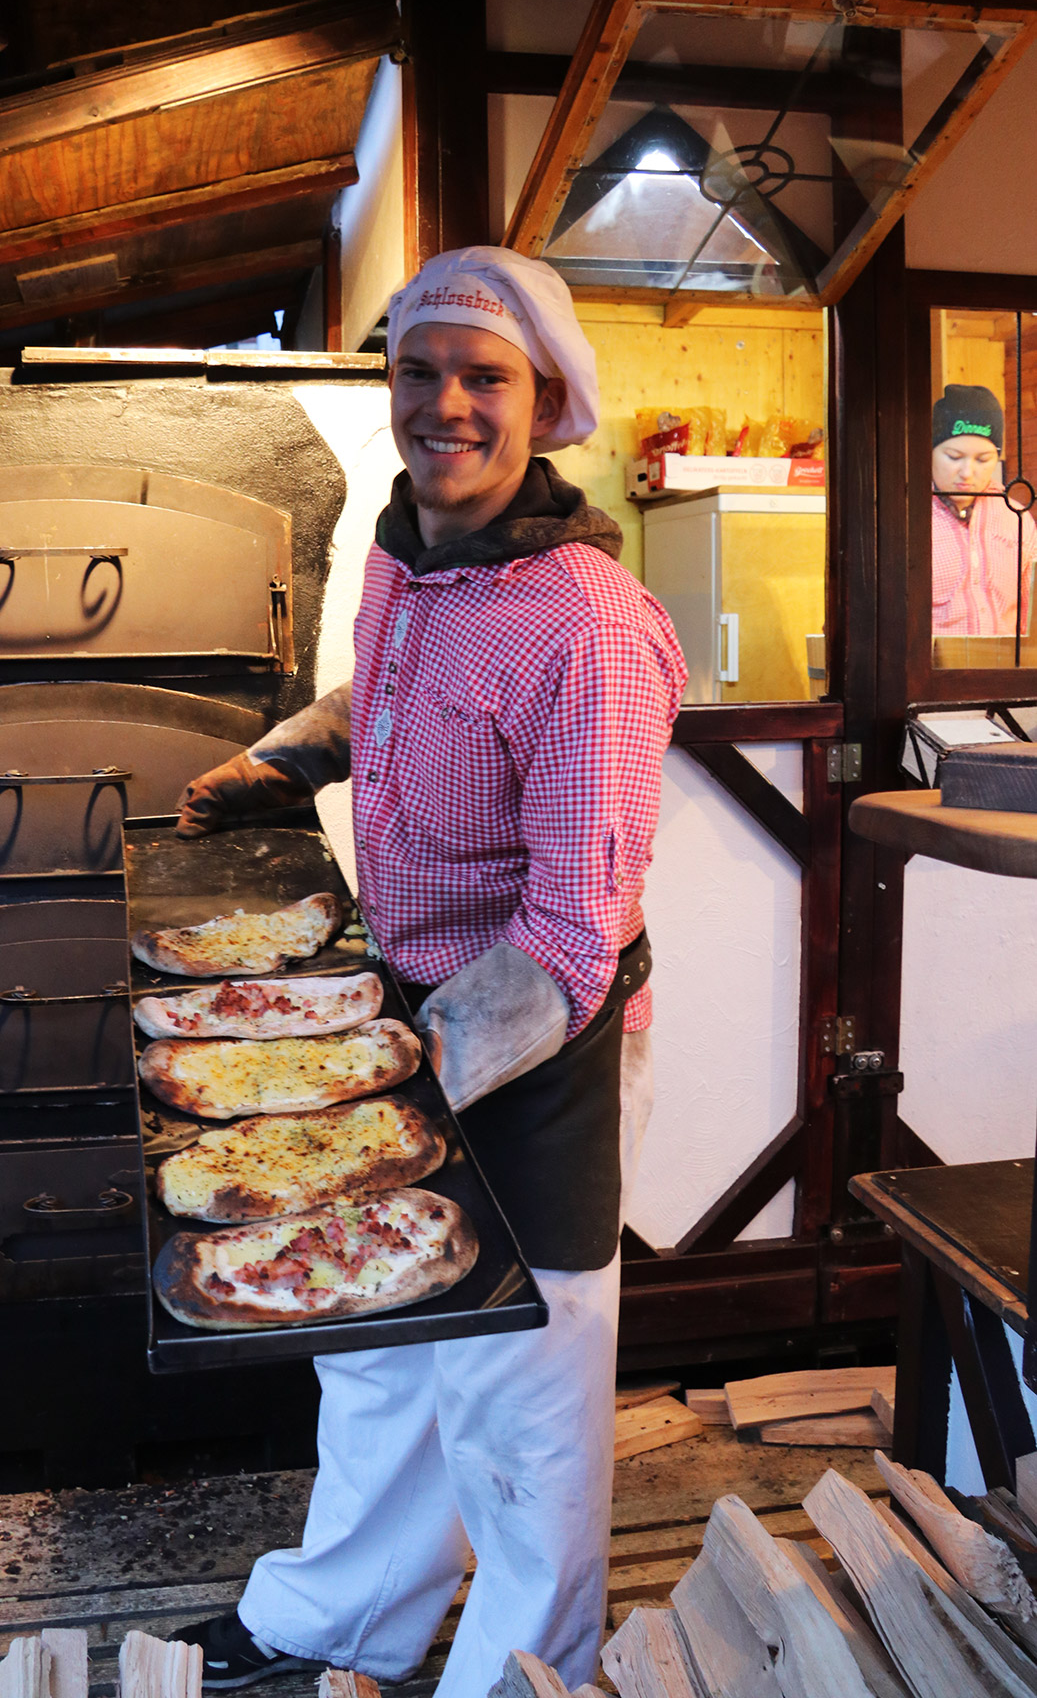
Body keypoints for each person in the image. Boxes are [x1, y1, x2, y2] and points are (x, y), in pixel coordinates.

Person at [170, 246, 687, 1696]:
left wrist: (368, 1088)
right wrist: (293, 756)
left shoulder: (586, 621)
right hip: (410, 1005)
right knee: (381, 1350)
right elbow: (396, 689)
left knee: (519, 1395)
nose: (444, 403)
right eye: (418, 370)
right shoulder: (410, 551)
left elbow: (574, 931)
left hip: (545, 1037)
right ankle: (344, 1621)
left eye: (484, 378)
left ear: (546, 401)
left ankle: (521, 1667)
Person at [932, 382, 1037, 638]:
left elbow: (1032, 615)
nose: (967, 473)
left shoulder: (1016, 518)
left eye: (983, 459)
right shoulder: (905, 516)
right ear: (930, 451)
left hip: (1004, 673)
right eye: (954, 457)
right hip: (928, 675)